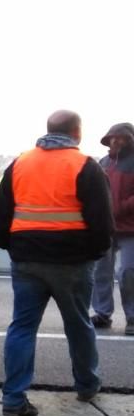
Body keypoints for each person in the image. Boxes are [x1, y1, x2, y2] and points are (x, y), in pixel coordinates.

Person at [0, 110, 112, 416]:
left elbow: (1, 217)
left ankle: (14, 399)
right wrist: (95, 253)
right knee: (78, 325)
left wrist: (13, 246)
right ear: (77, 132)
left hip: (27, 260)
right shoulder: (85, 165)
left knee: (22, 326)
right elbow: (102, 222)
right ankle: (86, 385)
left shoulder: (20, 163)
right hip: (72, 262)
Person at [91, 123, 134, 335]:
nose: (116, 141)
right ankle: (102, 313)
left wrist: (120, 207)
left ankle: (133, 317)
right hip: (106, 227)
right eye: (112, 138)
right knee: (100, 271)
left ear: (129, 140)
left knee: (128, 272)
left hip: (130, 228)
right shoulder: (103, 163)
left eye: (121, 138)